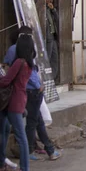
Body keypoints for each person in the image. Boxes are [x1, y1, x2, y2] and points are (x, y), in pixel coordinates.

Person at [8, 31, 61, 163]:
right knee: (33, 124)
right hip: (32, 94)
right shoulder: (25, 63)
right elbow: (32, 80)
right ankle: (33, 151)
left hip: (31, 95)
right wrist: (39, 86)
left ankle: (48, 150)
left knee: (38, 123)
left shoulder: (20, 61)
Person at [0, 34, 34, 170]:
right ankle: (2, 161)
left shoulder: (19, 62)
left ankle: (25, 167)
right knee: (4, 130)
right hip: (19, 101)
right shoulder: (29, 64)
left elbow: (6, 80)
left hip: (12, 102)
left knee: (21, 137)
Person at [45, 0, 60, 81]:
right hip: (48, 37)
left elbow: (58, 19)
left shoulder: (50, 9)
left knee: (54, 58)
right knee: (48, 58)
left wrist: (53, 9)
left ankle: (53, 77)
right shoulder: (43, 9)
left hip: (53, 36)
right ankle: (46, 78)